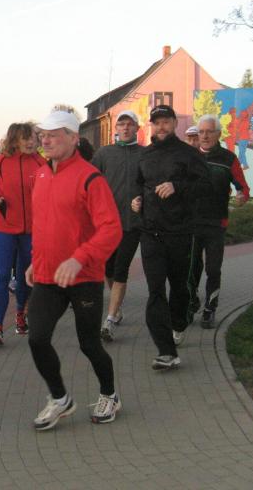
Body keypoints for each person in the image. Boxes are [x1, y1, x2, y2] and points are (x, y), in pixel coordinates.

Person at [25, 110, 123, 430]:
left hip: (84, 277)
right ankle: (60, 398)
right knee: (37, 338)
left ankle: (109, 394)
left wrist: (79, 258)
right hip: (48, 275)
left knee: (89, 343)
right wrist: (36, 260)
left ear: (73, 138)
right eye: (43, 135)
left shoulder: (90, 178)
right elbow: (45, 225)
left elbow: (111, 229)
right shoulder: (41, 175)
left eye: (53, 135)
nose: (45, 140)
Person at [131, 105, 211, 370]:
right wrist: (137, 200)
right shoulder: (145, 155)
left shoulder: (188, 154)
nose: (161, 127)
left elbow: (206, 186)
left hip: (180, 233)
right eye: (157, 123)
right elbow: (139, 184)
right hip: (150, 234)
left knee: (179, 288)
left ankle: (179, 322)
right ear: (151, 126)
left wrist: (177, 186)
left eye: (166, 122)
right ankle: (166, 351)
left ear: (175, 123)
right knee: (155, 292)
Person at [0, 122, 46, 344]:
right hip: (5, 230)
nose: (32, 142)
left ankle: (20, 315)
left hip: (31, 232)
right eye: (26, 138)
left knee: (26, 277)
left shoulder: (41, 163)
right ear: (15, 140)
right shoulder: (1, 162)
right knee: (3, 276)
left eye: (34, 138)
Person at [187, 114, 250, 328]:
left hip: (216, 223)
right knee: (191, 268)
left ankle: (210, 309)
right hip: (192, 223)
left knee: (213, 269)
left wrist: (242, 196)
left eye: (209, 132)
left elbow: (243, 188)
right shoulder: (189, 157)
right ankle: (191, 302)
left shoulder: (228, 158)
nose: (204, 136)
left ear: (218, 134)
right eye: (201, 132)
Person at [91, 110, 143, 342]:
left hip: (132, 224)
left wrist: (143, 198)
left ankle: (110, 319)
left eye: (130, 124)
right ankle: (117, 307)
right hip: (106, 224)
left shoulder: (145, 154)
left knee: (121, 268)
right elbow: (89, 181)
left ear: (137, 128)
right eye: (121, 124)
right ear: (116, 129)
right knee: (108, 269)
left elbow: (151, 183)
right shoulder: (104, 153)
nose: (125, 128)